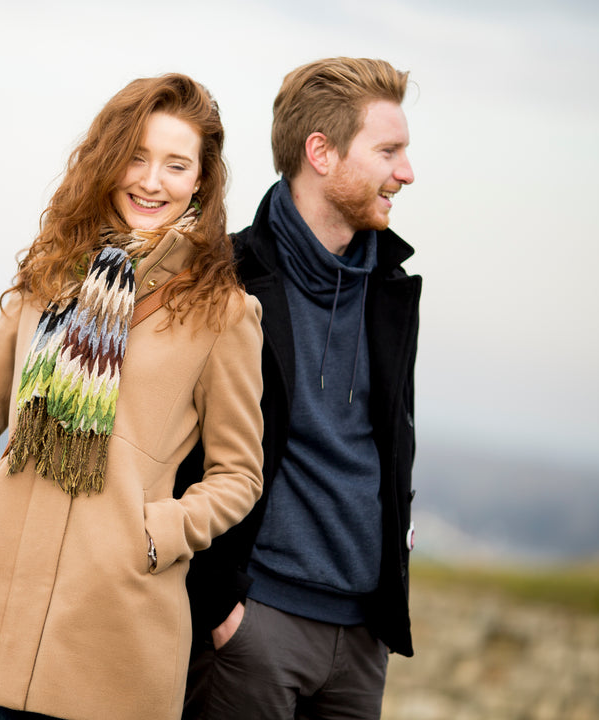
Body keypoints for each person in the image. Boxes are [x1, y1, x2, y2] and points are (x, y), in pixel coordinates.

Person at [0, 73, 265, 720]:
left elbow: (237, 474)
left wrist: (153, 534)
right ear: (110, 161)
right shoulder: (50, 274)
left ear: (201, 180)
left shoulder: (222, 312)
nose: (151, 181)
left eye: (175, 164)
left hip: (116, 639)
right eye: (137, 157)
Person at [179, 57, 422, 720]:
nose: (406, 172)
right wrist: (222, 609)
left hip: (362, 640)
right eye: (389, 151)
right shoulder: (222, 272)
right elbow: (173, 448)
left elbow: (390, 448)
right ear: (321, 151)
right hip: (254, 628)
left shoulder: (392, 290)